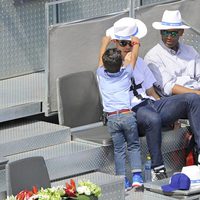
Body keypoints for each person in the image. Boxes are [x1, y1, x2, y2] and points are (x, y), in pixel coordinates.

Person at [106, 17, 200, 181]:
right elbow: (125, 69)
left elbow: (151, 91)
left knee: (192, 99)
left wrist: (170, 111)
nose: (128, 47)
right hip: (130, 112)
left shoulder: (141, 63)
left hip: (149, 104)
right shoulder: (110, 66)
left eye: (131, 44)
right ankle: (158, 168)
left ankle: (199, 152)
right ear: (115, 42)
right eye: (123, 43)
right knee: (153, 118)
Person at [96, 29, 144, 191]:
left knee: (119, 149)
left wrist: (105, 42)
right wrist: (135, 42)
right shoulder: (126, 73)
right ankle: (137, 177)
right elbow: (134, 58)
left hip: (112, 118)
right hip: (127, 115)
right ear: (120, 63)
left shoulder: (101, 74)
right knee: (133, 146)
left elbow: (100, 61)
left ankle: (122, 180)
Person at [144, 10, 200, 96]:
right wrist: (196, 93)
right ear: (161, 32)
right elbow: (168, 87)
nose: (169, 37)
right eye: (165, 32)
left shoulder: (190, 51)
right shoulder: (152, 56)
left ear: (181, 32)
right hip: (174, 99)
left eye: (173, 33)